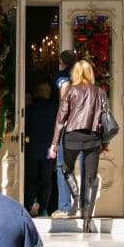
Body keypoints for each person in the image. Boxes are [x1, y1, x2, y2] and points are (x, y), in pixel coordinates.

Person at [49, 59, 106, 231]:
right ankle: (87, 217)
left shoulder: (71, 91)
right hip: (93, 137)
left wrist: (54, 143)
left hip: (72, 137)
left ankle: (76, 196)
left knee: (66, 169)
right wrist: (105, 141)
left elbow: (61, 118)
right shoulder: (99, 91)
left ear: (75, 74)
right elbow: (105, 117)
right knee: (91, 177)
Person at [51, 50, 79, 219]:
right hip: (84, 127)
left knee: (63, 167)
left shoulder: (63, 76)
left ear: (62, 62)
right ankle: (82, 205)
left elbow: (64, 97)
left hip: (68, 127)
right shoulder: (83, 76)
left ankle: (65, 206)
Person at [23, 82, 58, 216]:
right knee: (46, 181)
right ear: (48, 93)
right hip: (49, 149)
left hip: (32, 149)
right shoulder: (54, 108)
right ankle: (44, 208)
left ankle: (28, 205)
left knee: (31, 180)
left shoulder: (30, 109)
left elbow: (25, 129)